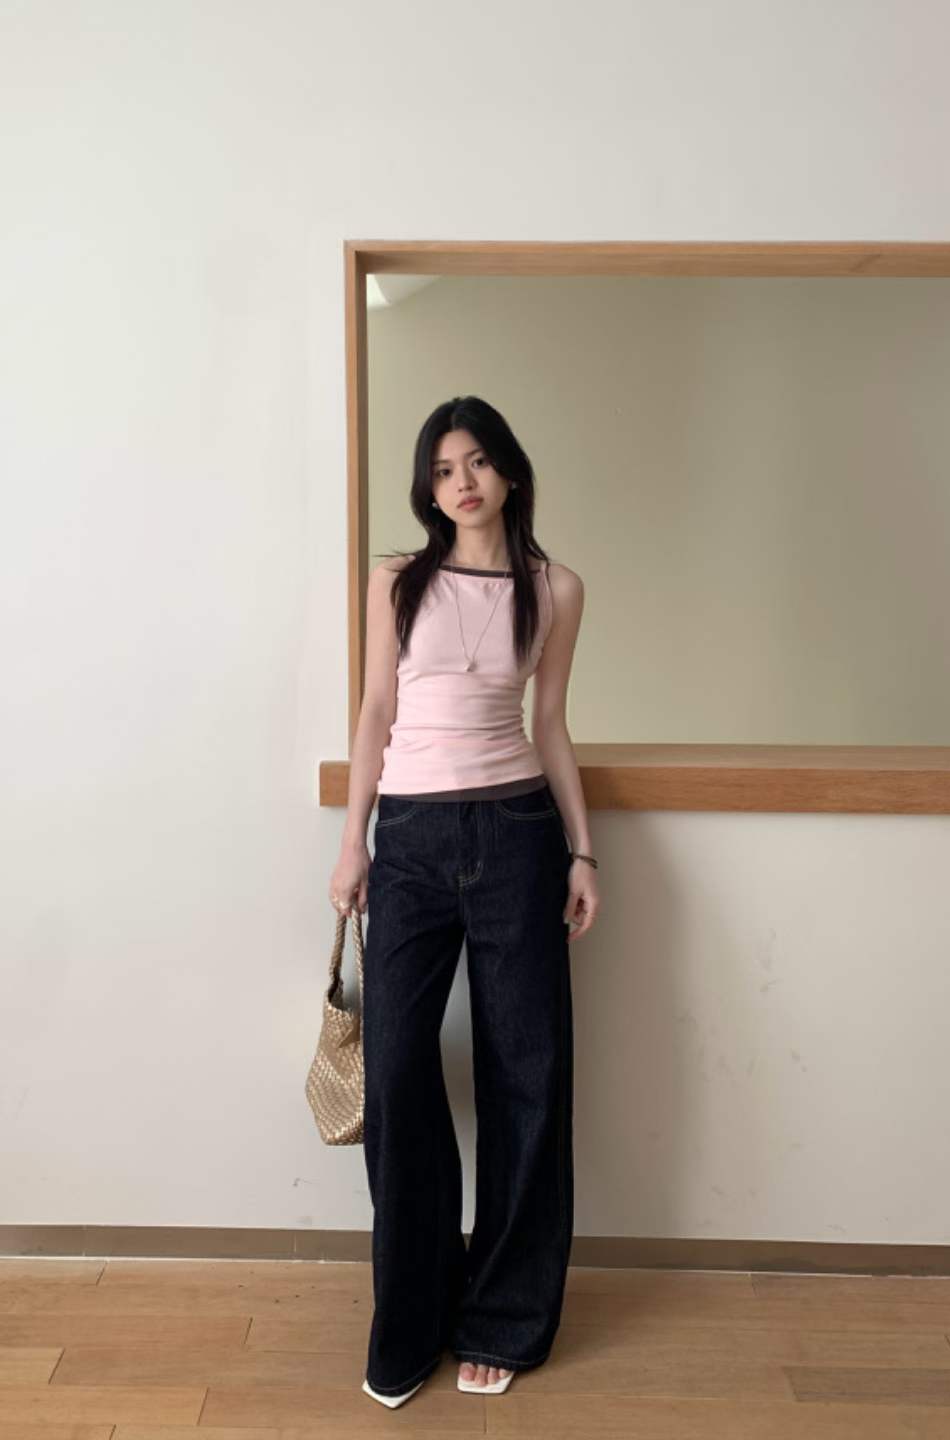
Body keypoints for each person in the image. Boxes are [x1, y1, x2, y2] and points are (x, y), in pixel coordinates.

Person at [328, 395, 601, 1409]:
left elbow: (553, 722)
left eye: (478, 462)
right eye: (444, 469)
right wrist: (353, 841)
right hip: (410, 842)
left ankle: (504, 1319)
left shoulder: (556, 588)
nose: (463, 482)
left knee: (526, 1073)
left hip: (518, 832)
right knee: (398, 1070)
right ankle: (412, 1316)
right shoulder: (397, 581)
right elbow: (375, 710)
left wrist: (583, 851)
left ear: (510, 471)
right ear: (428, 488)